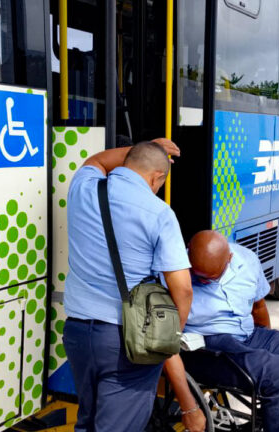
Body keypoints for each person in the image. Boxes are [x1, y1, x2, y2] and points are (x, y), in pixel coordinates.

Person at [63, 139, 194, 432]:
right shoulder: (160, 213)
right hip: (127, 341)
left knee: (87, 422)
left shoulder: (83, 187)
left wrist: (147, 146)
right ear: (156, 178)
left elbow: (97, 160)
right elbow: (183, 289)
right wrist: (170, 334)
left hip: (78, 334)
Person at [170, 230, 279, 432]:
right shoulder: (174, 270)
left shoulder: (246, 259)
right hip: (208, 344)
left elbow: (259, 308)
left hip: (248, 334)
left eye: (210, 278)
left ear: (229, 259)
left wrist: (266, 352)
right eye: (198, 276)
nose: (203, 281)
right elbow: (166, 335)